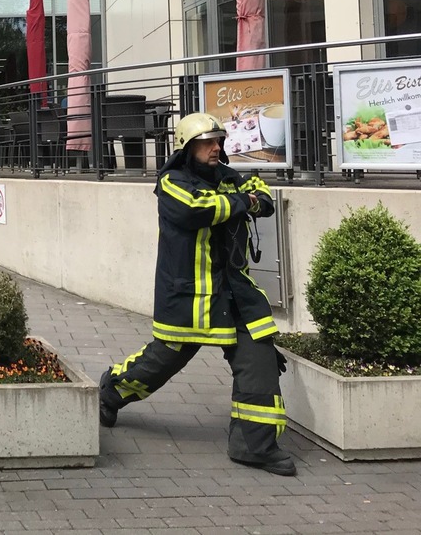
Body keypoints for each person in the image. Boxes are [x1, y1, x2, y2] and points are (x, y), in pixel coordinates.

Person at [98, 113, 295, 476]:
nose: (216, 148)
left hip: (236, 296)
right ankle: (109, 392)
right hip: (188, 300)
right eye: (207, 142)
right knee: (160, 362)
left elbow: (263, 194)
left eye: (218, 141)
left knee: (260, 358)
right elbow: (198, 209)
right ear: (187, 148)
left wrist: (248, 198)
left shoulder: (228, 178)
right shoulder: (172, 182)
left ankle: (255, 446)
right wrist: (243, 202)